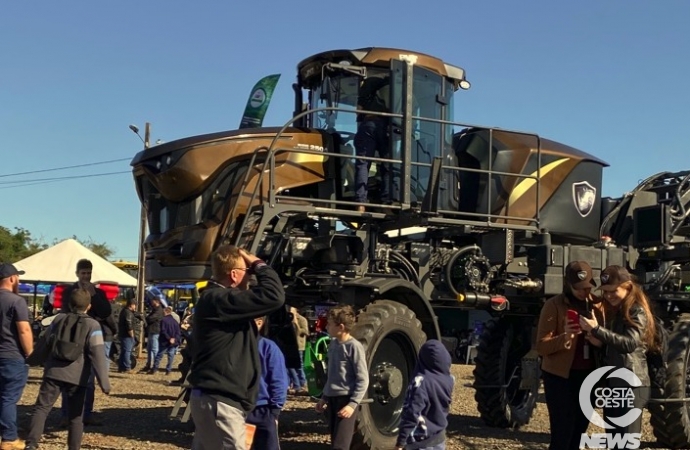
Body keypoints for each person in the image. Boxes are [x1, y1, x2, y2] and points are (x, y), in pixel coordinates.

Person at [188, 245, 285, 450]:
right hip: (220, 401)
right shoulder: (218, 300)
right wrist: (259, 264)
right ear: (234, 274)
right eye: (247, 272)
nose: (250, 277)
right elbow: (274, 296)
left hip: (217, 400)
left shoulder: (217, 301)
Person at [580, 265, 657, 448]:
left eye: (613, 291)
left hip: (631, 385)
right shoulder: (619, 310)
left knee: (625, 444)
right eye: (605, 292)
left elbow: (630, 344)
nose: (608, 296)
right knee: (615, 442)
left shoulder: (636, 310)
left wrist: (596, 330)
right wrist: (600, 343)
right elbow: (617, 345)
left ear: (628, 287)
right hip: (616, 384)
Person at [24, 288, 111, 450]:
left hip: (53, 372)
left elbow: (45, 343)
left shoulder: (58, 320)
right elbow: (97, 354)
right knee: (76, 416)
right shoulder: (93, 325)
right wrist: (104, 383)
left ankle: (31, 444)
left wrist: (32, 361)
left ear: (70, 304)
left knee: (41, 408)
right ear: (89, 306)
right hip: (78, 377)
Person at [535, 260, 605, 450]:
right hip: (559, 378)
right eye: (578, 288)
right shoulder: (553, 305)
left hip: (588, 375)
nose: (584, 292)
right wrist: (565, 337)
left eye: (588, 287)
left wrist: (596, 335)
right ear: (568, 285)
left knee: (580, 431)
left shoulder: (598, 305)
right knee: (562, 432)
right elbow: (541, 347)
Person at [59, 258, 112, 426]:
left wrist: (94, 295)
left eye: (89, 273)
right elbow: (65, 311)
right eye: (83, 273)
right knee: (67, 377)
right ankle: (67, 415)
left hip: (90, 337)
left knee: (88, 379)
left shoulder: (98, 293)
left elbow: (105, 312)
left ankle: (86, 413)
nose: (86, 276)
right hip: (73, 337)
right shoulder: (69, 291)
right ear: (77, 273)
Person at [315, 305, 369, 450]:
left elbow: (363, 379)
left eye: (330, 324)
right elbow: (332, 376)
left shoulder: (354, 347)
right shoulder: (333, 344)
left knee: (341, 445)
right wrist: (324, 398)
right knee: (335, 442)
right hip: (332, 401)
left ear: (341, 327)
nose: (326, 327)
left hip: (346, 401)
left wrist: (352, 405)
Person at [395, 339, 454, 450]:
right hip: (439, 438)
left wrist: (400, 442)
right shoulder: (449, 379)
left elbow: (412, 413)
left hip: (420, 442)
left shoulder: (421, 381)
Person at [0, 263, 33, 450]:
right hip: (12, 355)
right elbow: (24, 330)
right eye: (17, 277)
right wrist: (31, 353)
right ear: (12, 278)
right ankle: (9, 438)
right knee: (9, 397)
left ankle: (6, 429)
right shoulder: (16, 301)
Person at [246, 316, 289, 450]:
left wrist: (275, 410)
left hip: (263, 410)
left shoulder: (268, 347)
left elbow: (279, 380)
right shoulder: (235, 347)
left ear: (259, 323)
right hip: (238, 408)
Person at [354, 75, 391, 212]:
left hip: (369, 123)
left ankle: (360, 202)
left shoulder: (371, 82)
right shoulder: (402, 90)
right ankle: (387, 200)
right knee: (388, 164)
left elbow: (359, 108)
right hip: (389, 126)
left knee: (363, 163)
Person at [151, 306, 181, 375]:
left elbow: (163, 331)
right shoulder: (175, 322)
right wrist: (174, 339)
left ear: (166, 312)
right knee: (171, 356)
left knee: (159, 356)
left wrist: (169, 338)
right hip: (173, 342)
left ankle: (155, 368)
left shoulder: (163, 320)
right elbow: (178, 332)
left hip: (165, 341)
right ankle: (168, 370)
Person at [288, 306, 309, 394]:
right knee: (290, 366)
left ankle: (303, 383)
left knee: (299, 366)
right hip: (290, 345)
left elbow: (305, 332)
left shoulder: (302, 320)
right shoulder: (288, 319)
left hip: (299, 346)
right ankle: (296, 384)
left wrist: (296, 323)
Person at [141, 297, 163, 373]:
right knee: (149, 349)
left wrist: (146, 318)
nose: (151, 303)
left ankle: (155, 365)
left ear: (156, 302)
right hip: (152, 330)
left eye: (152, 301)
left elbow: (150, 318)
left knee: (154, 349)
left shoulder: (159, 310)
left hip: (155, 331)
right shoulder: (154, 309)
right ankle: (149, 364)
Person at [117, 299, 138, 373]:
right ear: (131, 305)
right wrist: (132, 335)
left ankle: (121, 367)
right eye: (135, 305)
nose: (135, 307)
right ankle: (127, 367)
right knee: (127, 351)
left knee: (123, 351)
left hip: (122, 334)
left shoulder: (124, 311)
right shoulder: (128, 313)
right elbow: (129, 324)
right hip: (127, 335)